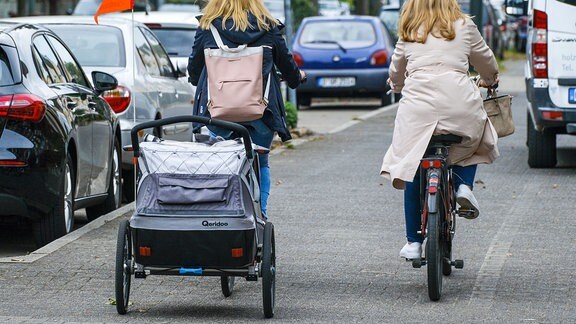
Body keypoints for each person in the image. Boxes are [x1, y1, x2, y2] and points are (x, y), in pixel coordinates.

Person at [379, 0, 500, 259]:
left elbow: (396, 69)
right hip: (459, 105)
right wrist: (489, 79)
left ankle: (413, 243)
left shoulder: (409, 29)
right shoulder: (465, 25)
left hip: (418, 110)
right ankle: (463, 186)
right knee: (476, 134)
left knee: (412, 162)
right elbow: (486, 60)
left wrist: (396, 83)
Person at [188, 0, 306, 218]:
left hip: (218, 113)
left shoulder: (207, 27)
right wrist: (297, 78)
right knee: (261, 162)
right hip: (260, 112)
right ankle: (259, 217)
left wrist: (200, 79)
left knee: (220, 165)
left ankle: (220, 215)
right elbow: (288, 68)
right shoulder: (268, 27)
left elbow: (194, 70)